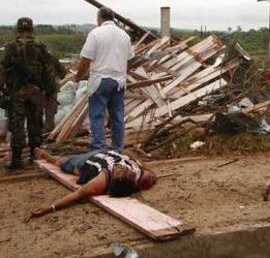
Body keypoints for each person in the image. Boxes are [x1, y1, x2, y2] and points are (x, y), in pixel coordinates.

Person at [26, 148, 157, 221]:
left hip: (87, 162)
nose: (123, 168)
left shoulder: (103, 180)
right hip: (108, 152)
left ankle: (48, 156)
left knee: (62, 162)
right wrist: (140, 163)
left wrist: (50, 207)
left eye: (120, 172)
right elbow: (128, 152)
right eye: (125, 170)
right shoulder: (137, 173)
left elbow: (77, 194)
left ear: (115, 177)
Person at [76, 7, 135, 151]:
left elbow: (86, 59)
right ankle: (117, 149)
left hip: (100, 80)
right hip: (119, 81)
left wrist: (79, 76)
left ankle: (98, 149)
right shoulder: (124, 36)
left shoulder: (95, 34)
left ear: (99, 18)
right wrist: (123, 72)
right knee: (117, 117)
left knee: (97, 116)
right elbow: (130, 60)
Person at [0, 17, 56, 169]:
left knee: (17, 124)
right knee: (35, 123)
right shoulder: (41, 47)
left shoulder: (10, 48)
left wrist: (2, 90)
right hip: (36, 92)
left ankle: (17, 160)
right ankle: (34, 155)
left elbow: (2, 71)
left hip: (16, 92)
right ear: (32, 29)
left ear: (17, 29)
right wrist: (49, 91)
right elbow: (49, 71)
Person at [44, 55, 66, 133]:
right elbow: (63, 74)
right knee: (50, 111)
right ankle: (48, 131)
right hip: (52, 87)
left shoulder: (30, 59)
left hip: (36, 89)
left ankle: (36, 133)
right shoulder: (52, 58)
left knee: (35, 111)